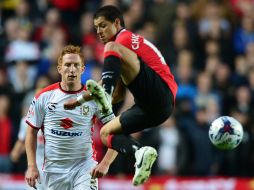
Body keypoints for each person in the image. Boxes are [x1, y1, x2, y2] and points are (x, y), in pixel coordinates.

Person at [64, 5, 178, 186]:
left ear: (117, 23)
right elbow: (117, 92)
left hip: (161, 91)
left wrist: (80, 100)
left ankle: (105, 97)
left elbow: (105, 85)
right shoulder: (119, 61)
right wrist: (105, 162)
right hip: (156, 110)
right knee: (105, 132)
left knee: (111, 48)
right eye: (96, 28)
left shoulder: (122, 39)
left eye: (102, 25)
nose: (99, 32)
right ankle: (140, 152)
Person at [25, 44, 118, 190]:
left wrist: (105, 162)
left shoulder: (95, 97)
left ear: (83, 69)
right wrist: (31, 166)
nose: (72, 69)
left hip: (84, 168)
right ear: (59, 69)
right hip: (53, 171)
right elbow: (31, 132)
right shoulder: (44, 97)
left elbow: (116, 130)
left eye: (76, 65)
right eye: (68, 65)